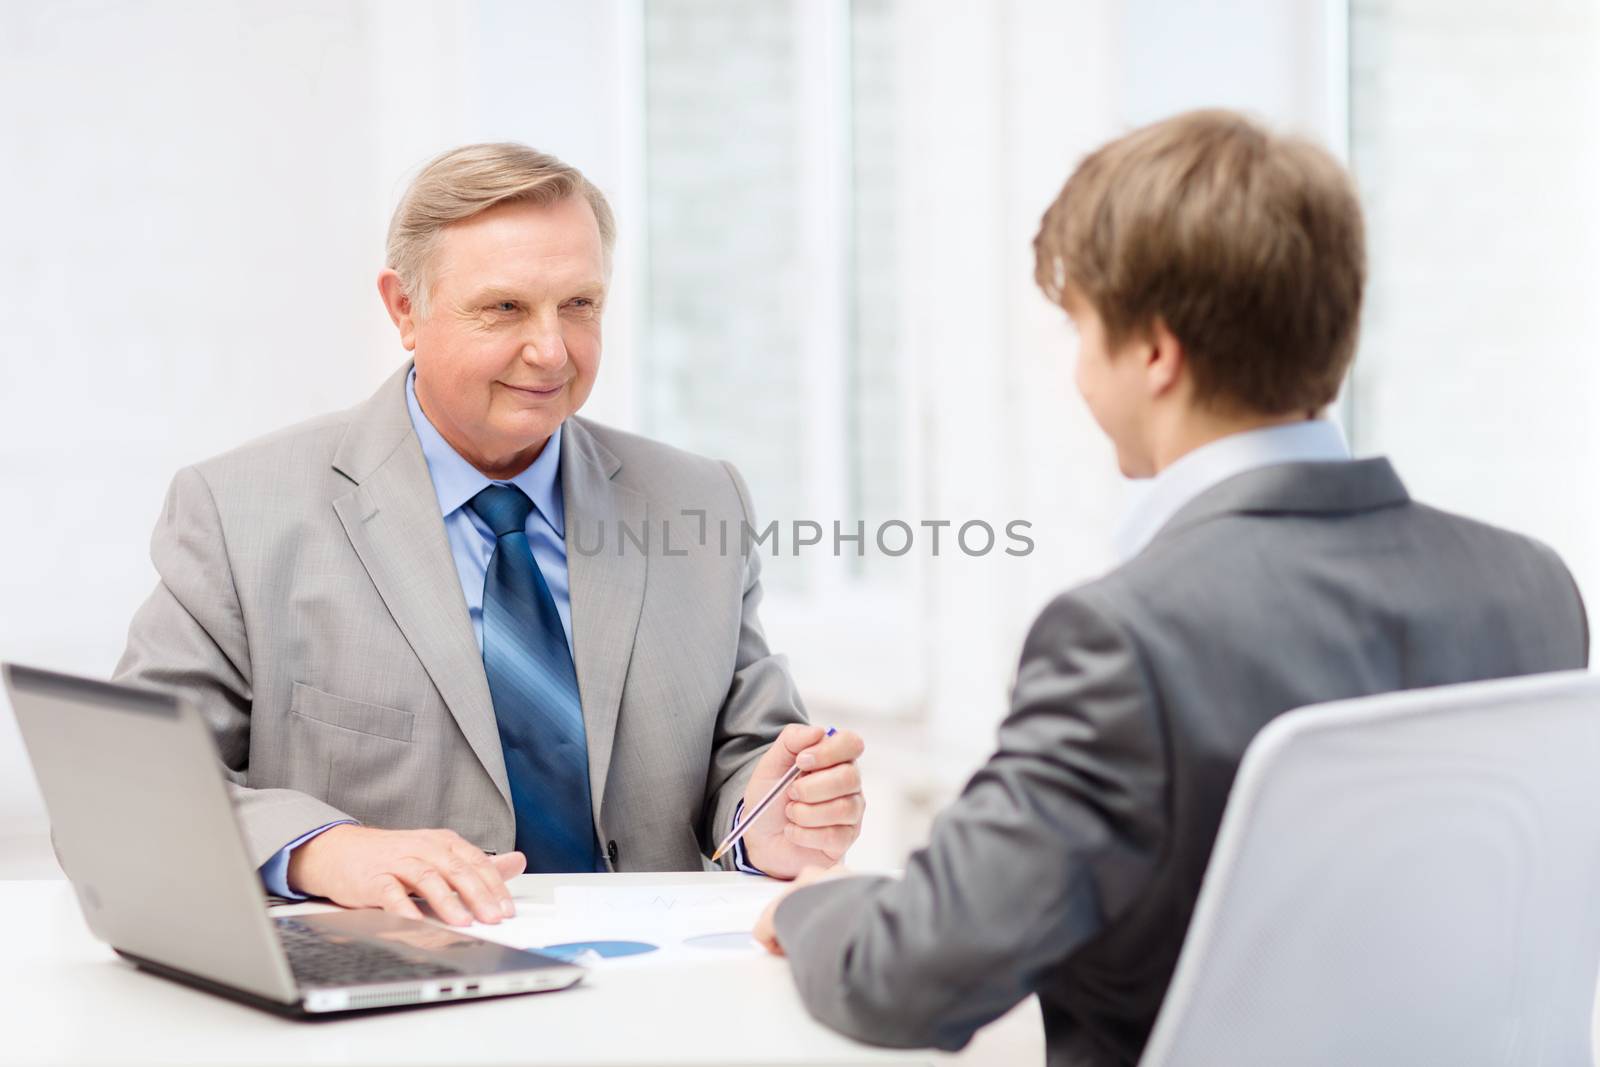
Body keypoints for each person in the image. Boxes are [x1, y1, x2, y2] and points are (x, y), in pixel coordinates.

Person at [753, 109, 1588, 1067]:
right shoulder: (1531, 586)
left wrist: (815, 903)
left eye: (1082, 328)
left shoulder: (1126, 637)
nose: (1077, 368)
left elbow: (909, 977)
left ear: (1154, 351)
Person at [114, 143, 866, 927]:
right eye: (505, 308)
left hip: (650, 988)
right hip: (397, 992)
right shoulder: (241, 510)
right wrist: (327, 850)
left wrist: (768, 820)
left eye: (579, 305)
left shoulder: (696, 499)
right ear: (405, 309)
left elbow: (746, 751)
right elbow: (130, 787)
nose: (550, 351)